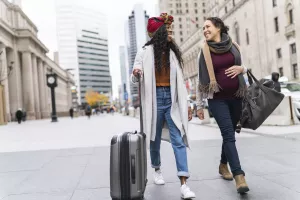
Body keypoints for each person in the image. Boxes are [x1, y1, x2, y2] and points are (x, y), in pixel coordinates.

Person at [131, 13, 195, 199]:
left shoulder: (173, 52)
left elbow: (181, 82)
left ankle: (184, 184)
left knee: (179, 139)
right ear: (156, 34)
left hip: (173, 99)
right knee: (154, 138)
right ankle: (156, 168)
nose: (169, 33)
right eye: (165, 31)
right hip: (155, 99)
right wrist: (136, 73)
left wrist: (187, 104)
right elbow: (134, 79)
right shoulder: (144, 52)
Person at [196, 17, 249, 194]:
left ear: (218, 27)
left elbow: (244, 66)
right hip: (217, 100)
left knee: (229, 133)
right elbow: (199, 80)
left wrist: (243, 69)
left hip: (237, 96)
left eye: (208, 26)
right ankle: (239, 176)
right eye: (203, 28)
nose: (205, 30)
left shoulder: (233, 45)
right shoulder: (204, 50)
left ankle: (222, 164)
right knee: (228, 134)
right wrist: (198, 106)